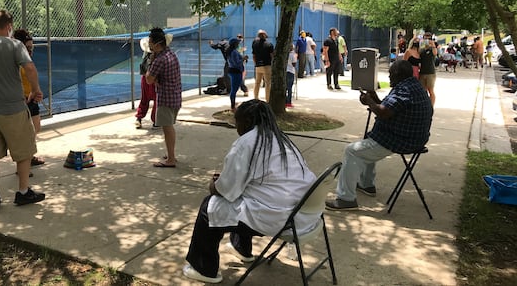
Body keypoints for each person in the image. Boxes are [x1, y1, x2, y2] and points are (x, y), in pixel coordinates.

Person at [183, 100, 318, 283]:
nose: (235, 126)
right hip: (303, 215)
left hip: (277, 217)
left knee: (210, 207)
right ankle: (241, 248)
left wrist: (214, 184)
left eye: (236, 122)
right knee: (245, 194)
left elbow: (225, 190)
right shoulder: (282, 139)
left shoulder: (245, 143)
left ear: (245, 122)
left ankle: (203, 269)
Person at [325, 60, 433, 211]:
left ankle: (345, 199)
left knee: (352, 151)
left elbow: (384, 112)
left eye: (390, 74)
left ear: (397, 74)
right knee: (369, 140)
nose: (389, 78)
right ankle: (366, 184)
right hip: (413, 137)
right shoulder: (412, 86)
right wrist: (375, 100)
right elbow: (391, 108)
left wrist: (369, 102)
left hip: (402, 140)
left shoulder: (404, 90)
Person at [0, 10, 45, 212]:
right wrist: (36, 90)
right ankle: (22, 192)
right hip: (12, 108)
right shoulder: (15, 45)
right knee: (24, 151)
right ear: (9, 26)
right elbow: (29, 68)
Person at [146, 27, 182, 168]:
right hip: (175, 96)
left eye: (150, 42)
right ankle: (171, 154)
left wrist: (151, 66)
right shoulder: (172, 55)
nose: (149, 45)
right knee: (169, 127)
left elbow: (149, 79)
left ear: (157, 43)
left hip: (166, 98)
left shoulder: (159, 59)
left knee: (167, 128)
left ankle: (171, 159)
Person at [13, 28, 45, 170]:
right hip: (20, 100)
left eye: (32, 48)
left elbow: (31, 77)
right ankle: (22, 166)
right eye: (27, 48)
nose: (30, 51)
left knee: (35, 128)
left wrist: (36, 91)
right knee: (23, 133)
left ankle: (29, 157)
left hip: (31, 98)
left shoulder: (28, 61)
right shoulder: (14, 62)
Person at [134, 37, 158, 129]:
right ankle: (155, 120)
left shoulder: (146, 56)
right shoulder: (154, 56)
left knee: (145, 99)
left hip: (146, 78)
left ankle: (139, 118)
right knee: (156, 99)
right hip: (152, 79)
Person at [251, 29, 274, 102]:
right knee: (268, 83)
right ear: (265, 36)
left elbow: (254, 56)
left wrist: (256, 64)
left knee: (257, 83)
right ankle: (268, 99)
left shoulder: (255, 44)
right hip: (267, 65)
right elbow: (272, 56)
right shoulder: (269, 44)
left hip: (258, 66)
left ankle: (256, 98)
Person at [419, 32, 438, 106]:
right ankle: (424, 105)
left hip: (430, 72)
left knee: (431, 90)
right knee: (423, 91)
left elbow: (435, 53)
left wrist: (432, 44)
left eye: (428, 38)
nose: (427, 40)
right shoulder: (422, 49)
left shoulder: (432, 49)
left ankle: (431, 106)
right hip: (422, 72)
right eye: (425, 38)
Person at [226, 38, 244, 111]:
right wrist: (243, 59)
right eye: (237, 43)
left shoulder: (230, 51)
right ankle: (232, 106)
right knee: (234, 89)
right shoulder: (234, 52)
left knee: (235, 88)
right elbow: (236, 63)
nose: (238, 44)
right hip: (236, 71)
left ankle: (233, 103)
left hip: (233, 70)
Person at [286, 43, 297, 108]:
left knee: (285, 87)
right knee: (289, 87)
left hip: (285, 71)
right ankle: (289, 102)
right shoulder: (293, 55)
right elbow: (294, 64)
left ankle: (285, 101)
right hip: (291, 71)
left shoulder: (285, 54)